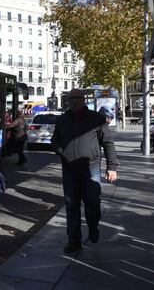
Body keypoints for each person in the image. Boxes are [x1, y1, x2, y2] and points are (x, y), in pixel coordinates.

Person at [51, 89, 119, 254]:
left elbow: (108, 142)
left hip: (91, 167)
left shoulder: (96, 118)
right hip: (69, 169)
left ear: (83, 99)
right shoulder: (62, 119)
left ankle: (93, 226)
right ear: (67, 100)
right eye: (71, 98)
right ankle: (74, 240)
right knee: (71, 206)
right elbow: (55, 139)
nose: (74, 101)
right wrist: (61, 151)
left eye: (77, 98)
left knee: (93, 203)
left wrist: (112, 167)